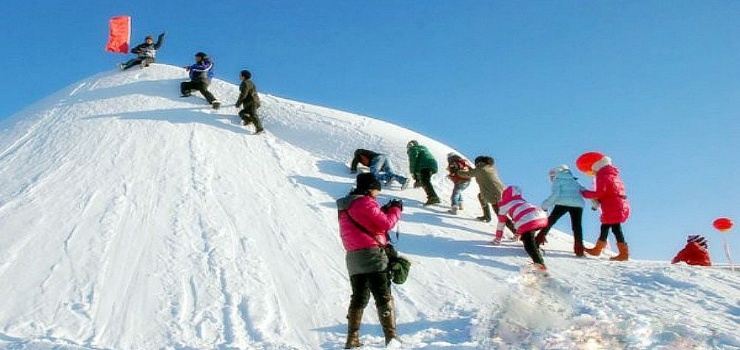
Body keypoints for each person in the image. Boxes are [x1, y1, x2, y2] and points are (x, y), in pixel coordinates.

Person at [336, 173, 403, 348]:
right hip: (372, 254)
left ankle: (352, 338)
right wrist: (396, 209)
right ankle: (391, 337)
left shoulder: (345, 206)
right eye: (376, 190)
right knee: (383, 296)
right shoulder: (365, 202)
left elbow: (369, 222)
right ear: (369, 189)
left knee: (358, 297)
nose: (377, 194)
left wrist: (382, 210)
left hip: (353, 257)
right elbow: (386, 224)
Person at [580, 154, 631, 261]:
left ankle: (622, 253)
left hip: (611, 205)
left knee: (615, 228)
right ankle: (599, 249)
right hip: (619, 204)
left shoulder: (602, 176)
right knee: (607, 227)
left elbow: (599, 193)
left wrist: (584, 193)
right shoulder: (614, 175)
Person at [456, 156, 517, 242]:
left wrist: (457, 172)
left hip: (495, 196)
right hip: (503, 193)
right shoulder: (490, 168)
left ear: (479, 163)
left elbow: (469, 174)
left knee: (501, 215)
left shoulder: (481, 169)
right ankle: (486, 216)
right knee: (481, 196)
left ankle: (516, 232)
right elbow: (477, 173)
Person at [536, 165, 588, 257]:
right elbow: (584, 191)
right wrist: (596, 203)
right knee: (577, 227)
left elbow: (555, 195)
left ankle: (537, 241)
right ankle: (579, 249)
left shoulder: (558, 180)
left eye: (552, 176)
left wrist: (545, 205)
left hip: (562, 203)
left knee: (551, 221)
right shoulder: (575, 180)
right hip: (577, 204)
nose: (551, 178)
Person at [498, 186, 549, 270]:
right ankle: (537, 247)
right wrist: (517, 235)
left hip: (529, 222)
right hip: (543, 217)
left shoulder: (505, 205)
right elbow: (522, 217)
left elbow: (501, 223)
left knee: (528, 244)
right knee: (529, 235)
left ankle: (540, 264)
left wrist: (498, 239)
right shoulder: (522, 201)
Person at [406, 140, 440, 206]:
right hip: (432, 164)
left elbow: (413, 161)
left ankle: (433, 197)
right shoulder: (422, 149)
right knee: (425, 180)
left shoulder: (413, 149)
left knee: (425, 180)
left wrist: (413, 173)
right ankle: (432, 196)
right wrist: (418, 179)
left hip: (425, 165)